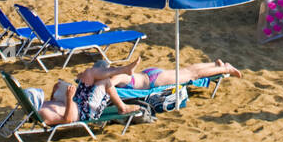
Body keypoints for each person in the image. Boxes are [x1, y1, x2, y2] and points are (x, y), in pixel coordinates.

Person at [77, 56, 242, 90]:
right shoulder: (109, 73)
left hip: (153, 81)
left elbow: (112, 83)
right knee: (188, 70)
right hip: (149, 74)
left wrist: (101, 86)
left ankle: (225, 68)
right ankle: (214, 65)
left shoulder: (114, 77)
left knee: (192, 74)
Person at [35, 74, 135, 127]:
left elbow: (56, 106)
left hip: (79, 103)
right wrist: (69, 98)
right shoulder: (45, 114)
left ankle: (119, 72)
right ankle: (123, 108)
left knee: (89, 74)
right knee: (105, 82)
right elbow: (67, 120)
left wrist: (55, 92)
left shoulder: (41, 107)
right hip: (86, 112)